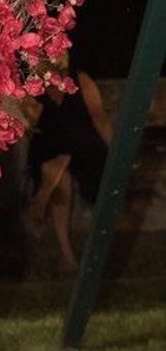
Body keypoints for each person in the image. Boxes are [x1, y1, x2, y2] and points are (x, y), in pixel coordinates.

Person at [27, 52, 113, 272]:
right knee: (60, 170)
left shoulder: (80, 79)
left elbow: (99, 117)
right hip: (51, 148)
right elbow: (29, 125)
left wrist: (116, 152)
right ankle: (67, 256)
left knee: (61, 163)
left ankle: (40, 201)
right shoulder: (35, 86)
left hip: (84, 148)